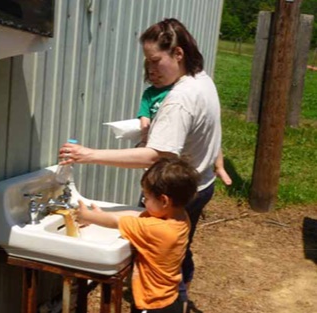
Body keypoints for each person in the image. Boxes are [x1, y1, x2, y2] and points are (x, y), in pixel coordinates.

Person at [59, 17, 223, 309]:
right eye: (146, 61)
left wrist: (88, 154)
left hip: (173, 186)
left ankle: (164, 300)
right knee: (175, 250)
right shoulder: (202, 80)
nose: (150, 69)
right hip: (199, 183)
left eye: (155, 60)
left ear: (178, 53)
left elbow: (153, 156)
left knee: (155, 254)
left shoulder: (179, 99)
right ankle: (177, 296)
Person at [76, 156, 200, 313]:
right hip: (170, 298)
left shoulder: (156, 230)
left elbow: (117, 222)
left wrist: (88, 216)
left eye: (146, 198)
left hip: (153, 304)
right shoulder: (180, 217)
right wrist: (102, 215)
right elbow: (135, 216)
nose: (144, 202)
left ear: (164, 201)